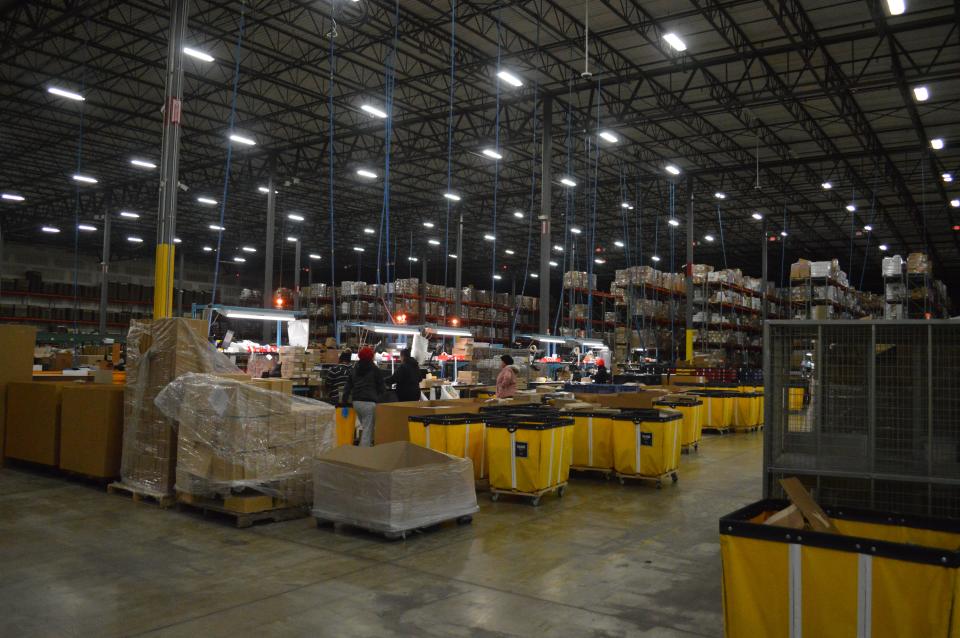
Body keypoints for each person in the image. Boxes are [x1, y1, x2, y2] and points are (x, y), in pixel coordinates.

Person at [342, 346, 385, 446]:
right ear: (371, 356)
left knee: (366, 426)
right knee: (368, 429)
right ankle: (364, 453)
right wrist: (380, 399)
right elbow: (382, 387)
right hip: (369, 403)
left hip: (356, 403)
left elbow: (347, 386)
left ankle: (368, 447)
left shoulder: (355, 368)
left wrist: (344, 401)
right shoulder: (374, 369)